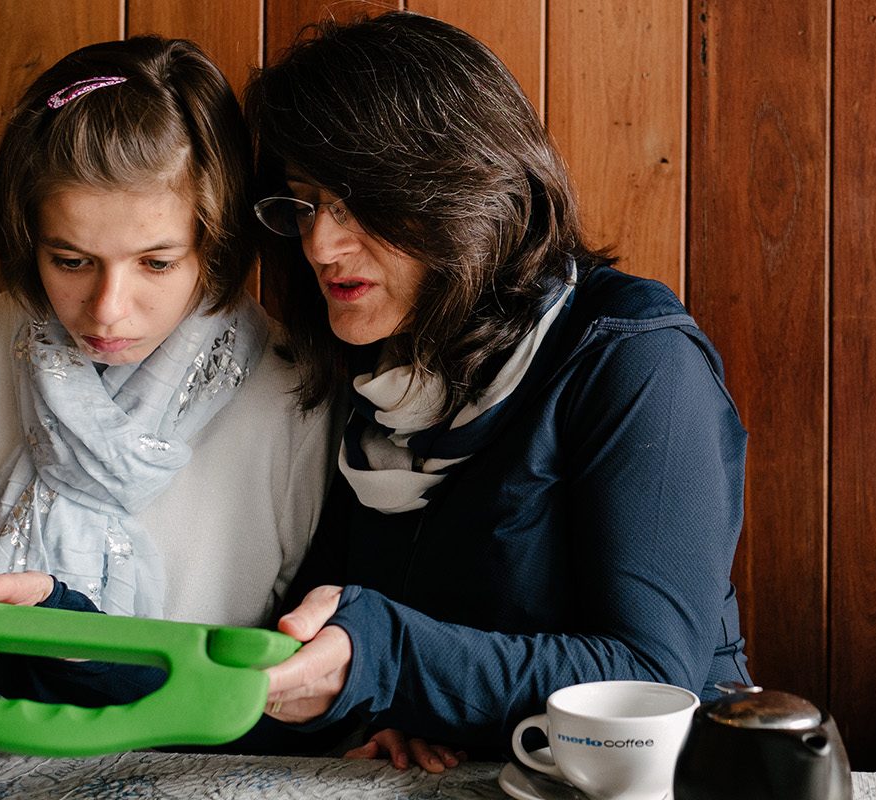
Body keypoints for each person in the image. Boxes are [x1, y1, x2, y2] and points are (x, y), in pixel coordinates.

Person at [0, 36, 333, 768]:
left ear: (216, 240)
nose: (108, 309)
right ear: (29, 239)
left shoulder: (293, 391)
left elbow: (305, 701)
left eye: (156, 261)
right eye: (72, 261)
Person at [243, 12, 753, 756]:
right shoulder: (382, 373)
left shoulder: (635, 358)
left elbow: (651, 679)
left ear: (464, 190)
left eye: (360, 202)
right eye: (307, 202)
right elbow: (315, 655)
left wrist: (386, 665)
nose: (321, 243)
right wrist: (67, 646)